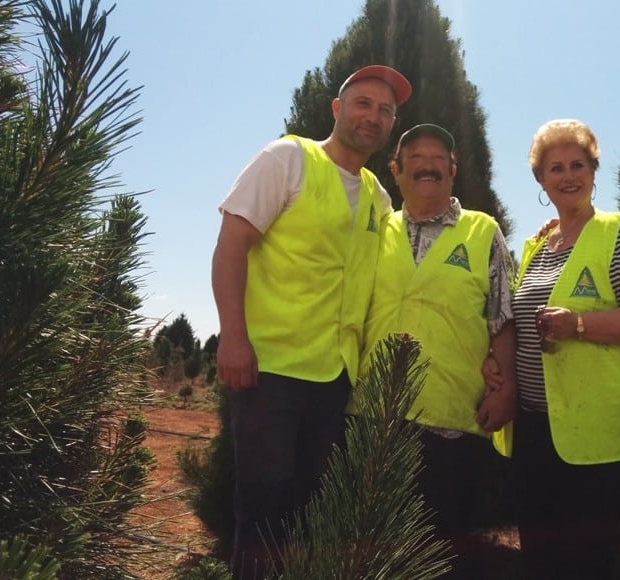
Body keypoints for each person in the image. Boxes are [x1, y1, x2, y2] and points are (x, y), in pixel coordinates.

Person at [210, 65, 411, 579]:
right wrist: (233, 338)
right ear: (337, 109)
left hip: (335, 379)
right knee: (264, 514)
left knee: (312, 519)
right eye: (363, 104)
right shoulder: (288, 159)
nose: (373, 116)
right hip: (270, 371)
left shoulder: (379, 198)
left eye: (385, 111)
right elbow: (232, 244)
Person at [494, 118, 620, 579]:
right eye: (556, 168)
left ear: (593, 172)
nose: (568, 176)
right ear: (540, 180)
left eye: (578, 165)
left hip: (598, 434)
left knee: (587, 561)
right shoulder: (537, 246)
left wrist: (580, 325)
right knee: (540, 556)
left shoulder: (616, 235)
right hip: (535, 429)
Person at [358, 123, 517, 578]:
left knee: (439, 555)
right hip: (371, 417)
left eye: (437, 159)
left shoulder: (482, 231)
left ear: (452, 169)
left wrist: (505, 388)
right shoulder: (376, 230)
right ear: (396, 171)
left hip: (451, 422)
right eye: (416, 158)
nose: (427, 166)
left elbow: (503, 317)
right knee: (368, 550)